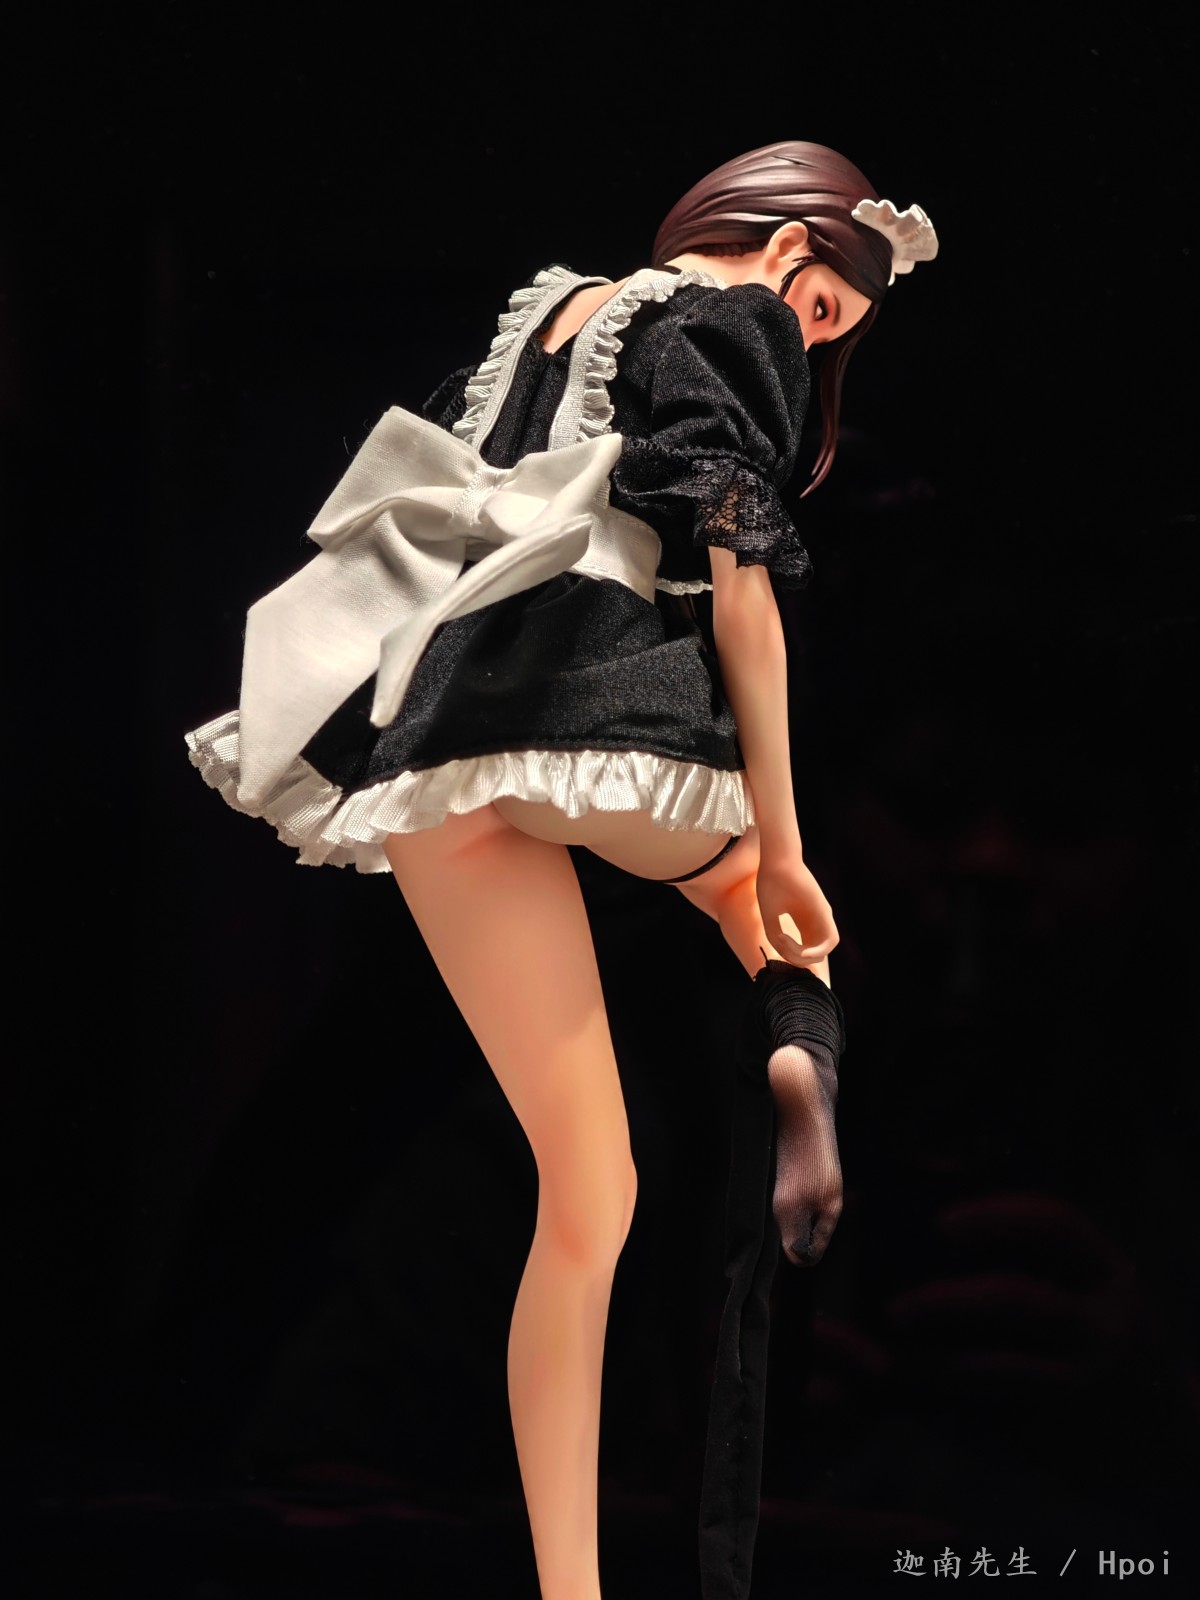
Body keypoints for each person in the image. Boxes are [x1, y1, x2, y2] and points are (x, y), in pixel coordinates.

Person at [186, 141, 937, 1600]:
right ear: (795, 253)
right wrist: (783, 839)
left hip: (440, 755)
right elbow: (741, 586)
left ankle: (569, 1583)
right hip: (596, 717)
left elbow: (451, 492)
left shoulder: (551, 312)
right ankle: (800, 1054)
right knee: (769, 909)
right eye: (826, 313)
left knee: (587, 1191)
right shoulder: (738, 318)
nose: (812, 342)